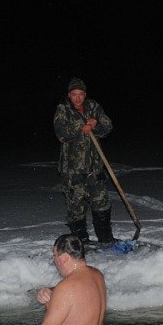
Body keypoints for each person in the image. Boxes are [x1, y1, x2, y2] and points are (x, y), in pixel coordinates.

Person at [12, 234, 108, 325]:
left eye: (55, 255)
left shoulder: (66, 288)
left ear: (64, 258)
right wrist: (51, 291)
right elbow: (80, 297)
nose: (54, 259)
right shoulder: (96, 274)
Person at [53, 78, 116, 247]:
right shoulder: (63, 109)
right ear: (69, 95)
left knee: (101, 201)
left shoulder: (93, 107)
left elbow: (108, 126)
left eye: (81, 94)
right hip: (72, 170)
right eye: (74, 94)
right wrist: (81, 126)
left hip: (94, 166)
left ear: (85, 95)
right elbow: (61, 133)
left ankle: (105, 239)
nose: (78, 98)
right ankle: (81, 242)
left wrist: (95, 124)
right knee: (76, 206)